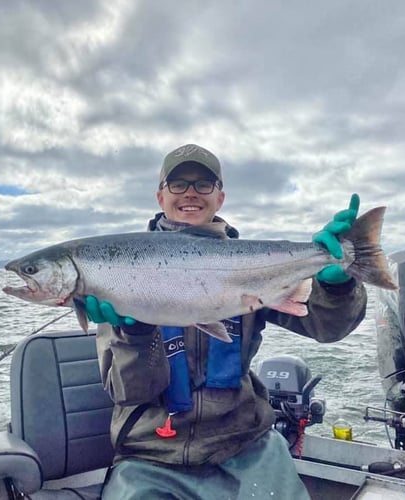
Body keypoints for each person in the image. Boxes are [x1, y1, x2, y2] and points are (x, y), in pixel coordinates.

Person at [86, 144, 367, 499]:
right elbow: (129, 393)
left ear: (220, 198)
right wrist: (135, 333)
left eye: (203, 184)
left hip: (244, 444)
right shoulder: (118, 273)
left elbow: (327, 328)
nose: (190, 192)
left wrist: (336, 286)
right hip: (151, 456)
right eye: (178, 184)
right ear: (160, 196)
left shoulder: (252, 263)